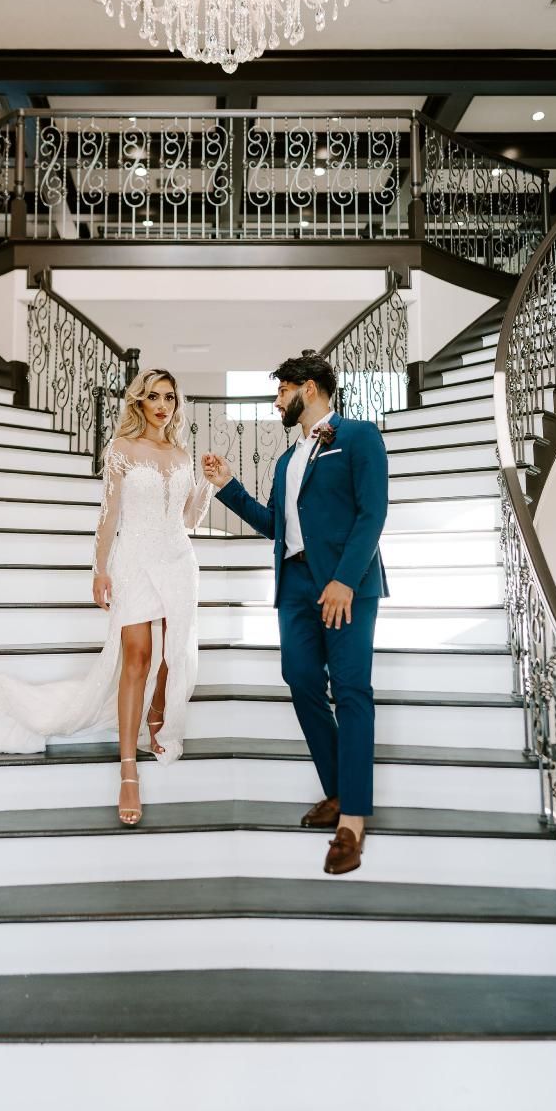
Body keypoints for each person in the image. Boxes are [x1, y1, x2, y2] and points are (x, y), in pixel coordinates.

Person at [0, 368, 213, 827]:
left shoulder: (181, 453)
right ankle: (128, 769)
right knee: (137, 655)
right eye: (153, 397)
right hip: (134, 558)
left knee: (174, 652)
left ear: (176, 404)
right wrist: (98, 568)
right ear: (139, 402)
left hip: (178, 558)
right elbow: (109, 514)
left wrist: (210, 483)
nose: (162, 405)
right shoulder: (121, 450)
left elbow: (189, 519)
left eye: (169, 397)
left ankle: (158, 711)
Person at [201, 354, 388, 875]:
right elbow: (275, 526)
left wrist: (345, 580)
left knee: (350, 690)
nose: (277, 400)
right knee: (301, 678)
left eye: (282, 391)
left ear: (309, 388)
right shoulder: (287, 461)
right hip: (296, 583)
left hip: (346, 583)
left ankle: (351, 820)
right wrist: (229, 487)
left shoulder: (359, 437)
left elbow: (373, 514)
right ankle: (338, 787)